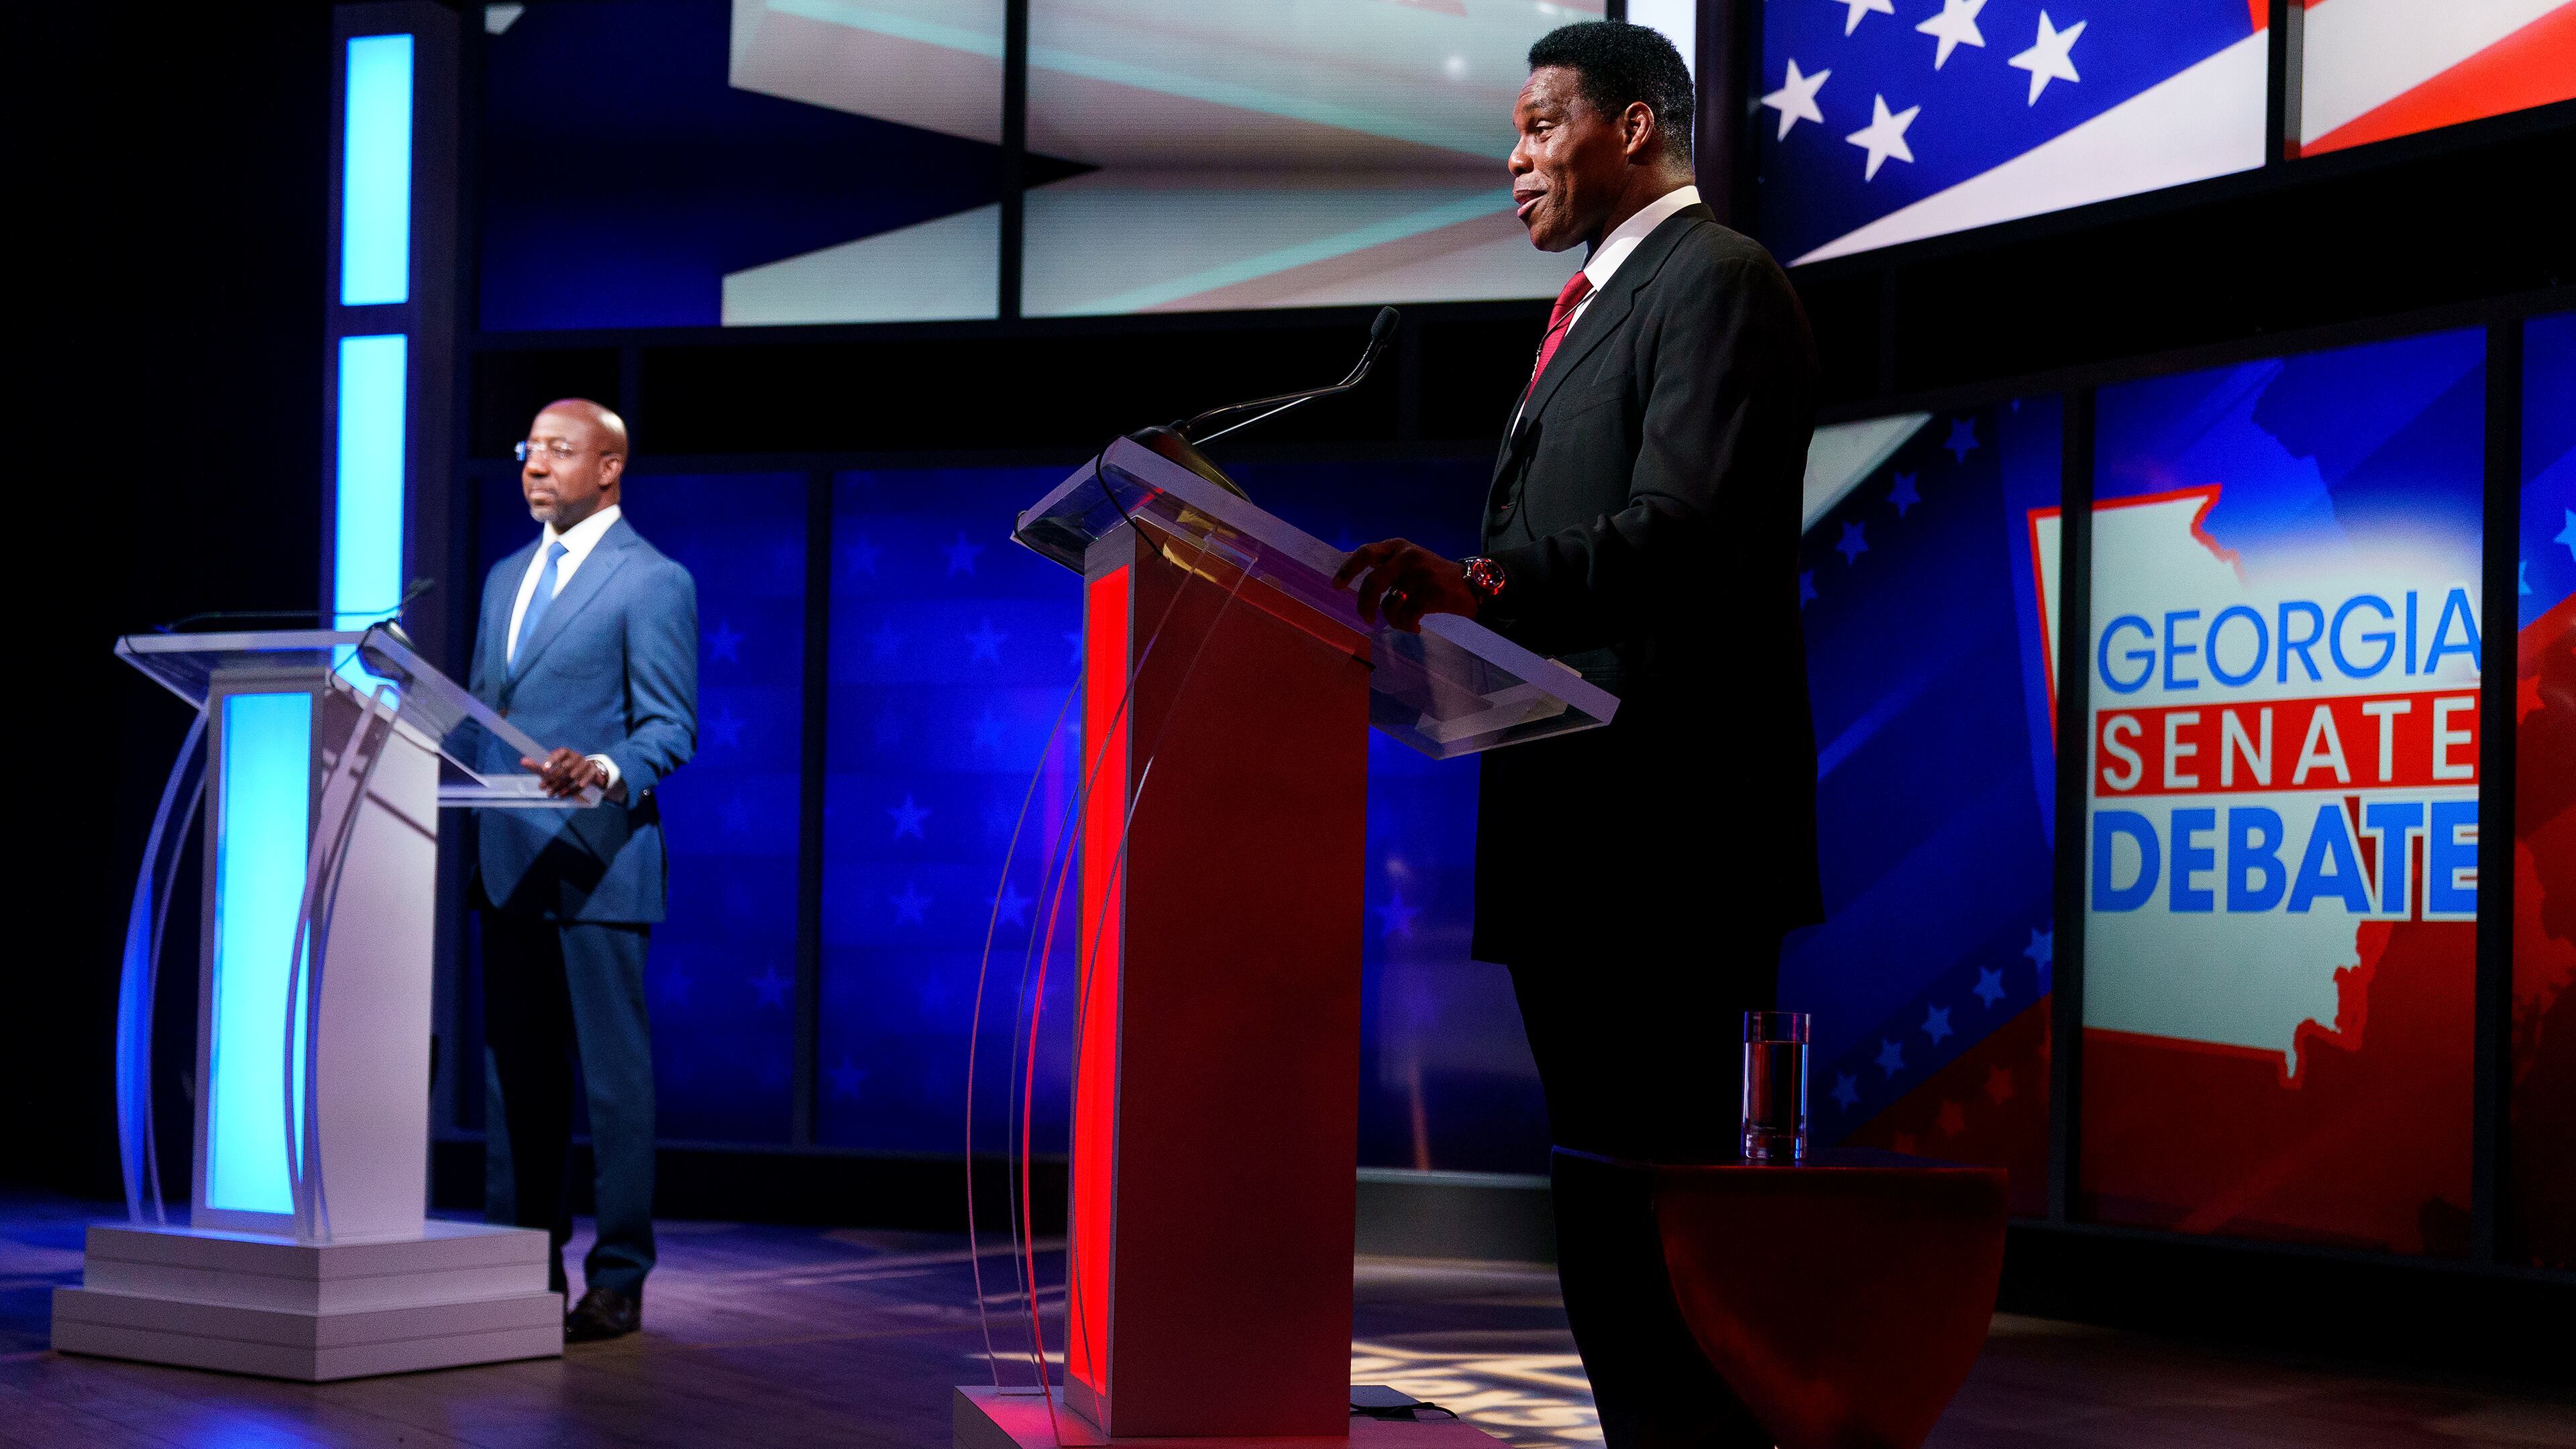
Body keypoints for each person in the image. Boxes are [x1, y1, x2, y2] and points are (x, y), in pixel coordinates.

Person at [1333, 21, 1821, 1449]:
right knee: (1603, 1202)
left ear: (1637, 129)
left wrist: (1486, 585)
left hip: (1667, 831)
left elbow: (1693, 531)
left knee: (1659, 1207)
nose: (1516, 157)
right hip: (1576, 823)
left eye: (1543, 125)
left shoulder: (1715, 280)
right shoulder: (1598, 304)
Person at [470, 398, 698, 1343]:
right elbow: (483, 712)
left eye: (559, 451)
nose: (535, 465)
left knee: (611, 1085)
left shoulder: (652, 581)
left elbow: (671, 727)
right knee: (515, 1078)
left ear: (609, 468)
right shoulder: (502, 579)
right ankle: (523, 1263)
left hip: (600, 863)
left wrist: (600, 770)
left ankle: (620, 1274)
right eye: (529, 450)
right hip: (508, 864)